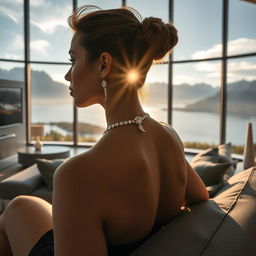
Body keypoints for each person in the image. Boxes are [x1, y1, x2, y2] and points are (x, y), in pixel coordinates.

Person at [0, 5, 208, 256]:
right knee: (21, 205)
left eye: (73, 59)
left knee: (10, 215)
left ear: (103, 65)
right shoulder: (169, 136)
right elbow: (200, 196)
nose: (67, 75)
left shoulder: (76, 174)